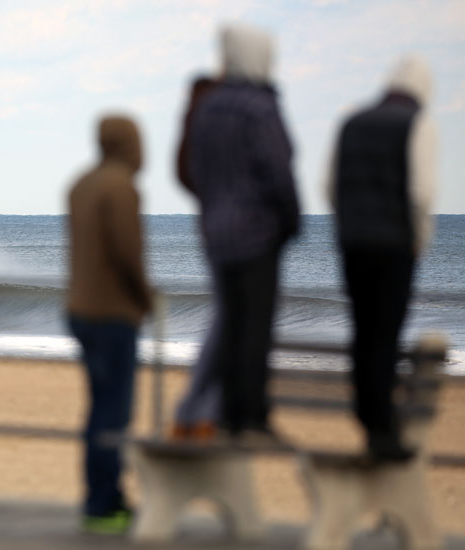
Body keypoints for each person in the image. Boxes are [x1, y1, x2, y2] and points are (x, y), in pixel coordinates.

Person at [186, 22, 300, 441]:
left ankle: (227, 414)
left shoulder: (210, 108)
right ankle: (250, 416)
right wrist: (291, 220)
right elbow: (278, 169)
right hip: (256, 235)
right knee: (255, 325)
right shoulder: (259, 106)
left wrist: (212, 211)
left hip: (217, 234)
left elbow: (198, 170)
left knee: (230, 322)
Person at [327, 55, 437, 462]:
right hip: (394, 243)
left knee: (363, 329)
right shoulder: (417, 123)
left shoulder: (351, 122)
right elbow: (421, 193)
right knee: (385, 333)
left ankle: (368, 415)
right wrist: (419, 240)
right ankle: (382, 428)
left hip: (353, 242)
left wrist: (347, 226)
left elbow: (330, 183)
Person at [67, 115, 153, 534]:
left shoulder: (81, 183)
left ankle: (100, 498)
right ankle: (104, 507)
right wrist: (145, 297)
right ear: (127, 143)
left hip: (80, 310)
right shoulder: (121, 186)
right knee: (113, 413)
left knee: (99, 409)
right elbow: (127, 252)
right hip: (111, 313)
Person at [172, 75, 222, 440]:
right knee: (231, 322)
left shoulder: (193, 121)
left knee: (225, 321)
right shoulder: (239, 115)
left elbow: (184, 174)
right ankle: (201, 413)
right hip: (239, 239)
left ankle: (195, 411)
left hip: (216, 229)